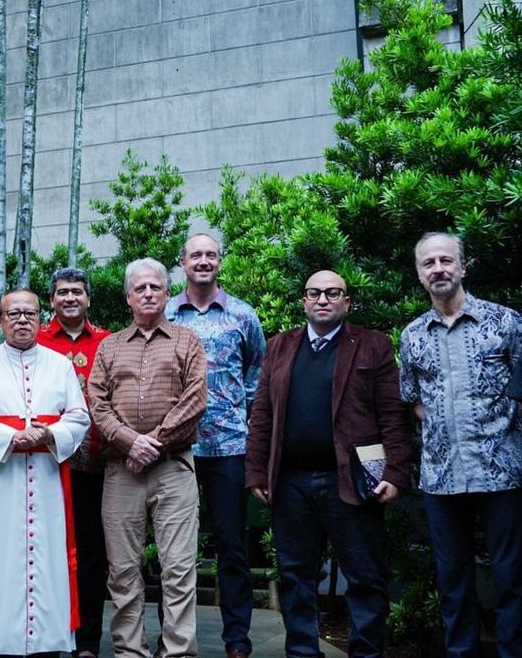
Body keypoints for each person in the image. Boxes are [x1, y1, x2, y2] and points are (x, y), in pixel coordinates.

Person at [246, 269, 412, 658]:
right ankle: (303, 652)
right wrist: (256, 469)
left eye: (332, 293)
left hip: (352, 482)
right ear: (304, 301)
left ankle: (365, 653)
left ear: (346, 301)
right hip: (291, 484)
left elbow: (392, 414)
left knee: (365, 578)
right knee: (295, 577)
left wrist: (395, 472)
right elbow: (263, 413)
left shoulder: (372, 345)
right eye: (314, 293)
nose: (322, 299)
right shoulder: (280, 347)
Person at [399, 232, 522, 656]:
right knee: (452, 583)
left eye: (446, 261)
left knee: (511, 578)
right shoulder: (412, 335)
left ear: (463, 267)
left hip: (502, 472)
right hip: (441, 477)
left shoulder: (505, 322)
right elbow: (413, 399)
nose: (438, 269)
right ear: (419, 274)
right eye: (429, 263)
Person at [0, 288, 90, 656]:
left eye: (29, 313)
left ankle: (48, 644)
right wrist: (13, 437)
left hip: (47, 479)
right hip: (1, 482)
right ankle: (0, 644)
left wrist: (49, 433)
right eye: (12, 314)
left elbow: (79, 417)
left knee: (49, 562)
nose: (21, 320)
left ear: (40, 318)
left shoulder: (59, 364)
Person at [88, 257, 206, 658]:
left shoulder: (186, 341)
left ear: (167, 292)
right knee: (122, 570)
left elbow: (194, 400)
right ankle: (129, 651)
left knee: (178, 568)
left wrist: (151, 442)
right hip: (121, 471)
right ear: (128, 298)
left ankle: (177, 651)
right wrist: (129, 443)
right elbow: (97, 404)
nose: (148, 293)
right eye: (140, 288)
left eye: (155, 286)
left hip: (174, 467)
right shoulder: (109, 346)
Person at [164, 234, 265, 658]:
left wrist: (249, 430)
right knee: (173, 550)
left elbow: (256, 377)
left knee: (231, 545)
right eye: (195, 255)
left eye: (210, 255)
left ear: (220, 262)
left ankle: (237, 639)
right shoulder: (166, 312)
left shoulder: (243, 314)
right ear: (182, 263)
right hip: (176, 449)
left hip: (227, 448)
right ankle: (172, 638)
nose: (203, 261)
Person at [36, 267, 111, 658]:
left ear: (88, 299)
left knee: (91, 555)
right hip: (44, 467)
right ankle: (47, 638)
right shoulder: (33, 340)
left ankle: (87, 642)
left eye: (77, 292)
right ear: (52, 299)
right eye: (63, 292)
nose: (70, 298)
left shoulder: (107, 342)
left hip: (95, 465)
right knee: (44, 551)